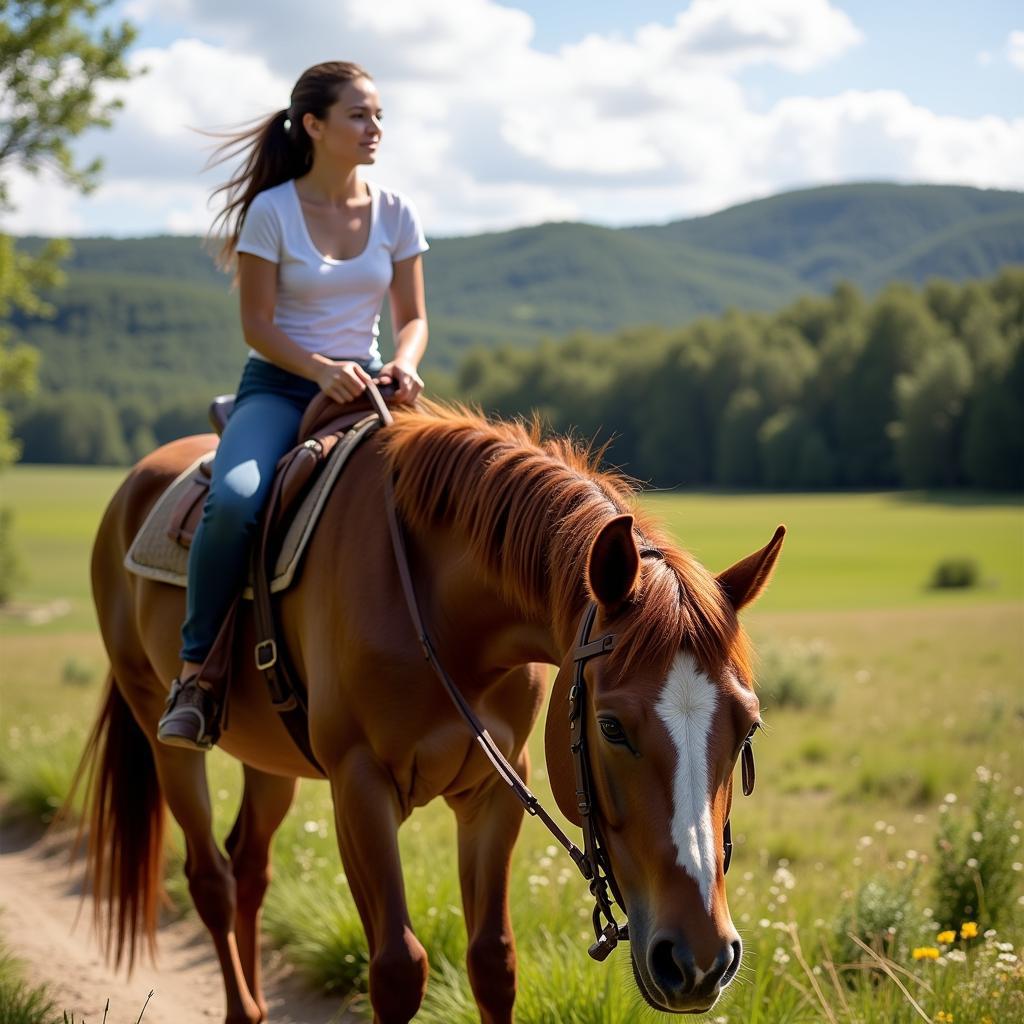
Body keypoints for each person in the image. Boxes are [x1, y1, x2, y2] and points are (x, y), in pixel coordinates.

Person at [158, 61, 429, 750]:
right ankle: (196, 674)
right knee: (238, 497)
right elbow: (257, 325)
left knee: (451, 494)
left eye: (378, 116)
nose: (375, 129)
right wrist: (317, 369)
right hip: (281, 387)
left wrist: (404, 363)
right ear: (313, 125)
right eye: (359, 115)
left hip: (371, 387)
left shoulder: (396, 211)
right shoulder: (272, 211)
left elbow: (414, 317)